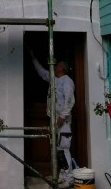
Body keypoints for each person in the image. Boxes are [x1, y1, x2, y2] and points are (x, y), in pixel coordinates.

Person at [30, 50, 76, 187]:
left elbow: (69, 100)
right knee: (58, 148)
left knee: (64, 147)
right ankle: (62, 174)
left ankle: (69, 178)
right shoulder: (55, 80)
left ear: (62, 68)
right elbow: (42, 72)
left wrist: (62, 116)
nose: (54, 67)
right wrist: (33, 57)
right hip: (55, 120)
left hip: (64, 121)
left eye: (57, 66)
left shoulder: (67, 81)